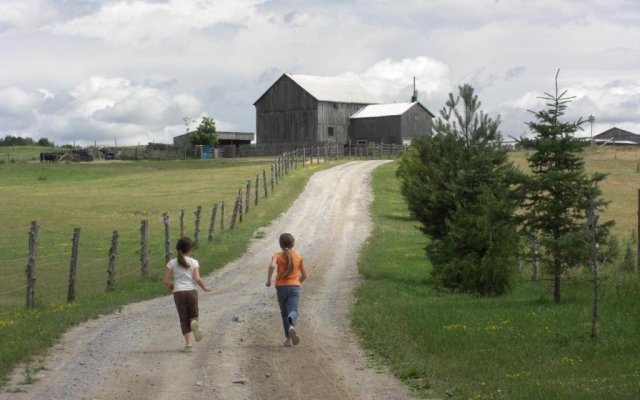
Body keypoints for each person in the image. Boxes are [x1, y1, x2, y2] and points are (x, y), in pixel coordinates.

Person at [163, 237, 212, 353]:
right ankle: (193, 322)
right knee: (193, 315)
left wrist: (172, 287)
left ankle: (188, 344)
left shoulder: (172, 262)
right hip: (191, 291)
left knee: (183, 318)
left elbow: (165, 280)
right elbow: (197, 278)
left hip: (178, 293)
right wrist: (205, 288)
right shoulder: (194, 262)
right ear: (190, 249)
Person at [266, 233, 307, 347]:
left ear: (280, 244)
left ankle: (288, 340)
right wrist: (297, 283)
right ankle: (292, 322)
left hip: (281, 287)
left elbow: (272, 266)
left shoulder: (277, 255)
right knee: (293, 311)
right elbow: (304, 275)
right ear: (293, 243)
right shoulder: (298, 257)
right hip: (294, 286)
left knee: (284, 313)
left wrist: (269, 280)